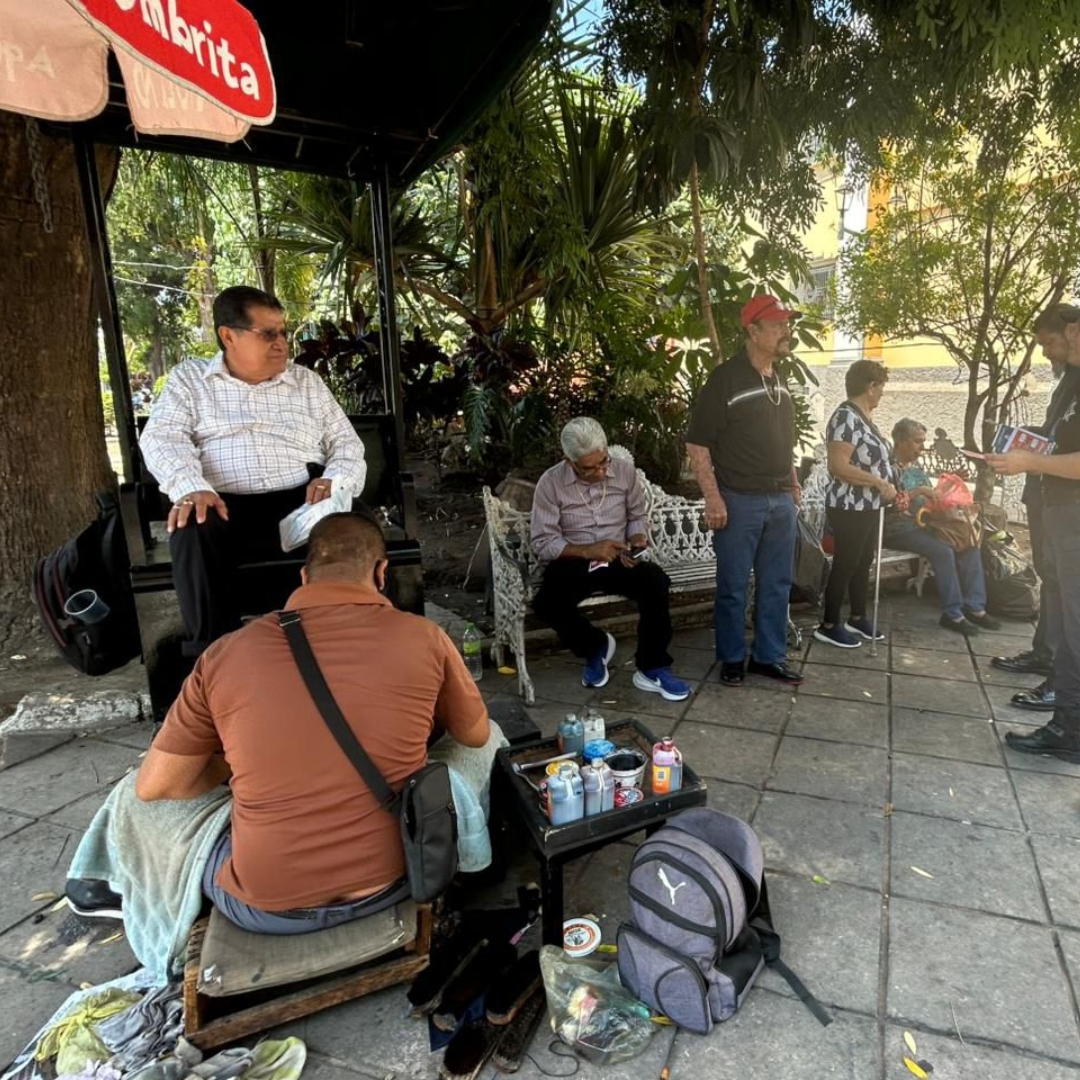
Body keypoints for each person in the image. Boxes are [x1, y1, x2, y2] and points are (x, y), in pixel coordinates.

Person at [66, 513, 493, 934]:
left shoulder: (224, 654)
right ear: (382, 572)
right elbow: (475, 734)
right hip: (401, 878)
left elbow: (155, 787)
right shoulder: (424, 636)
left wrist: (231, 762)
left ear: (304, 578)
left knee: (130, 793)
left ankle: (108, 886)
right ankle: (474, 860)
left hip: (268, 908)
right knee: (487, 745)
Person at [140, 285, 367, 657]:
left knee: (355, 524)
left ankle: (361, 646)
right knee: (191, 523)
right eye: (268, 334)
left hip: (302, 503)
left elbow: (347, 443)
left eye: (283, 333)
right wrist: (191, 486)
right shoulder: (191, 381)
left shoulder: (306, 383)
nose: (282, 343)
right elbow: (162, 438)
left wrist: (334, 479)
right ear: (228, 336)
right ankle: (215, 660)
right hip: (223, 507)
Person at [685, 295, 803, 687]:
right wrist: (712, 496)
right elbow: (698, 443)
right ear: (753, 330)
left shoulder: (779, 379)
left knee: (777, 584)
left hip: (780, 499)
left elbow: (784, 440)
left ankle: (768, 657)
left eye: (787, 323)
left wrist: (793, 481)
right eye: (778, 324)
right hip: (739, 500)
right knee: (733, 586)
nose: (786, 331)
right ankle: (732, 657)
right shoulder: (725, 379)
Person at [530, 418, 690, 701]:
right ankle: (595, 646)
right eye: (588, 468)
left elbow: (636, 516)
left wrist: (637, 539)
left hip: (618, 557)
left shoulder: (625, 473)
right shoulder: (551, 483)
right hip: (575, 559)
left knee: (655, 582)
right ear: (569, 460)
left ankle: (652, 667)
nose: (600, 472)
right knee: (547, 602)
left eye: (603, 462)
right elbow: (543, 542)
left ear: (606, 449)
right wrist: (588, 550)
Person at [987, 302, 1080, 763]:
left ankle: (1070, 728)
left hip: (1075, 517)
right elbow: (1060, 438)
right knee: (1063, 611)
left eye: (1050, 342)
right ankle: (1064, 715)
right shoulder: (1071, 384)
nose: (1047, 353)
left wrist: (1031, 461)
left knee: (1075, 623)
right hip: (1060, 511)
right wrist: (1023, 442)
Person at [885, 418, 1000, 635]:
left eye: (923, 442)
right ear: (900, 441)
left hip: (925, 523)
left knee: (968, 543)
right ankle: (952, 613)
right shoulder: (886, 466)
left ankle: (975, 607)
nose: (922, 447)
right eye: (917, 442)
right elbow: (887, 503)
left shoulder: (915, 467)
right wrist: (918, 491)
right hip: (897, 528)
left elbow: (931, 498)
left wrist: (950, 483)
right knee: (943, 551)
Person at [813, 360, 897, 648]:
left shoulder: (864, 418)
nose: (883, 393)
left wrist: (888, 482)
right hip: (849, 505)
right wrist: (878, 483)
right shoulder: (845, 418)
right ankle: (829, 623)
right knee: (846, 563)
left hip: (869, 506)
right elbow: (839, 466)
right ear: (870, 386)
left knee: (863, 562)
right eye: (881, 386)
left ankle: (857, 616)